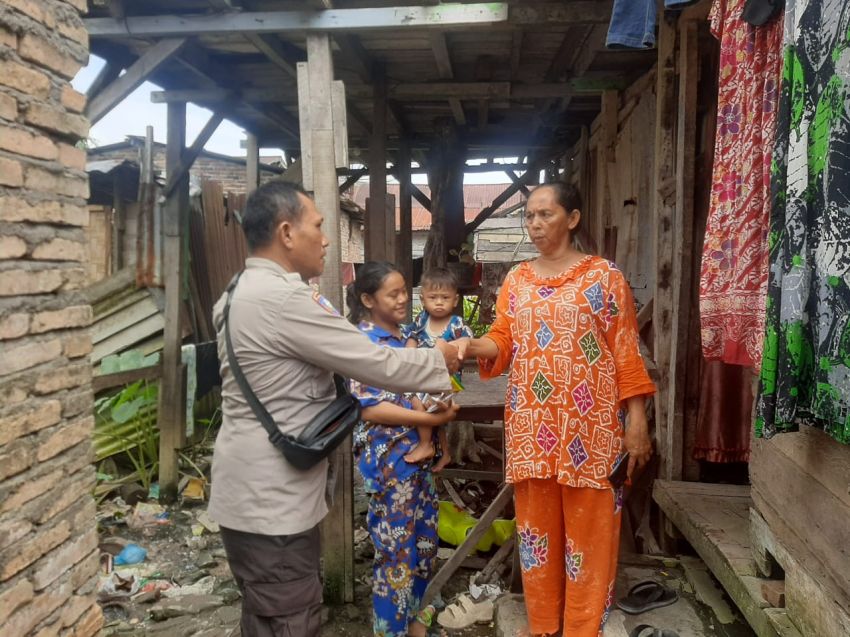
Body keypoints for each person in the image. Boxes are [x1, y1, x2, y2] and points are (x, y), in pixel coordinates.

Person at [209, 182, 463, 637]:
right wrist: (442, 357)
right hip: (272, 498)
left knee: (267, 613)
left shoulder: (237, 290)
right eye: (319, 226)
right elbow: (372, 362)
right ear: (287, 233)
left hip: (252, 487)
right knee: (291, 617)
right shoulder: (284, 299)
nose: (326, 239)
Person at [464, 182, 655, 637]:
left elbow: (626, 351)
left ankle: (583, 629)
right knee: (537, 539)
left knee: (591, 538)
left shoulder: (604, 277)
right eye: (529, 216)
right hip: (533, 431)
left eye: (544, 214)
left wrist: (638, 421)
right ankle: (545, 627)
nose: (534, 224)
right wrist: (470, 346)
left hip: (592, 430)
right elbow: (503, 341)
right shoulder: (517, 281)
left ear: (572, 218)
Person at [346, 261, 460, 637]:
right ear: (367, 298)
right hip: (391, 465)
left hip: (419, 465)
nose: (402, 300)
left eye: (403, 292)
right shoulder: (363, 343)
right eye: (392, 294)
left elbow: (430, 388)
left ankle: (415, 622)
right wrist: (433, 423)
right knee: (395, 555)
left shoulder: (408, 336)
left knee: (424, 548)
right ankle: (389, 631)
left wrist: (438, 430)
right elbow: (370, 407)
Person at [403, 267, 474, 470]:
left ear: (455, 300)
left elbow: (467, 341)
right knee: (435, 416)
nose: (439, 302)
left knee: (417, 401)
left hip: (447, 381)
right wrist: (410, 353)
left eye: (445, 297)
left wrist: (459, 346)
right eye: (433, 297)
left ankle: (425, 445)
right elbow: (411, 337)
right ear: (423, 299)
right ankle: (445, 452)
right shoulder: (421, 321)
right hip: (425, 378)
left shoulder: (456, 324)